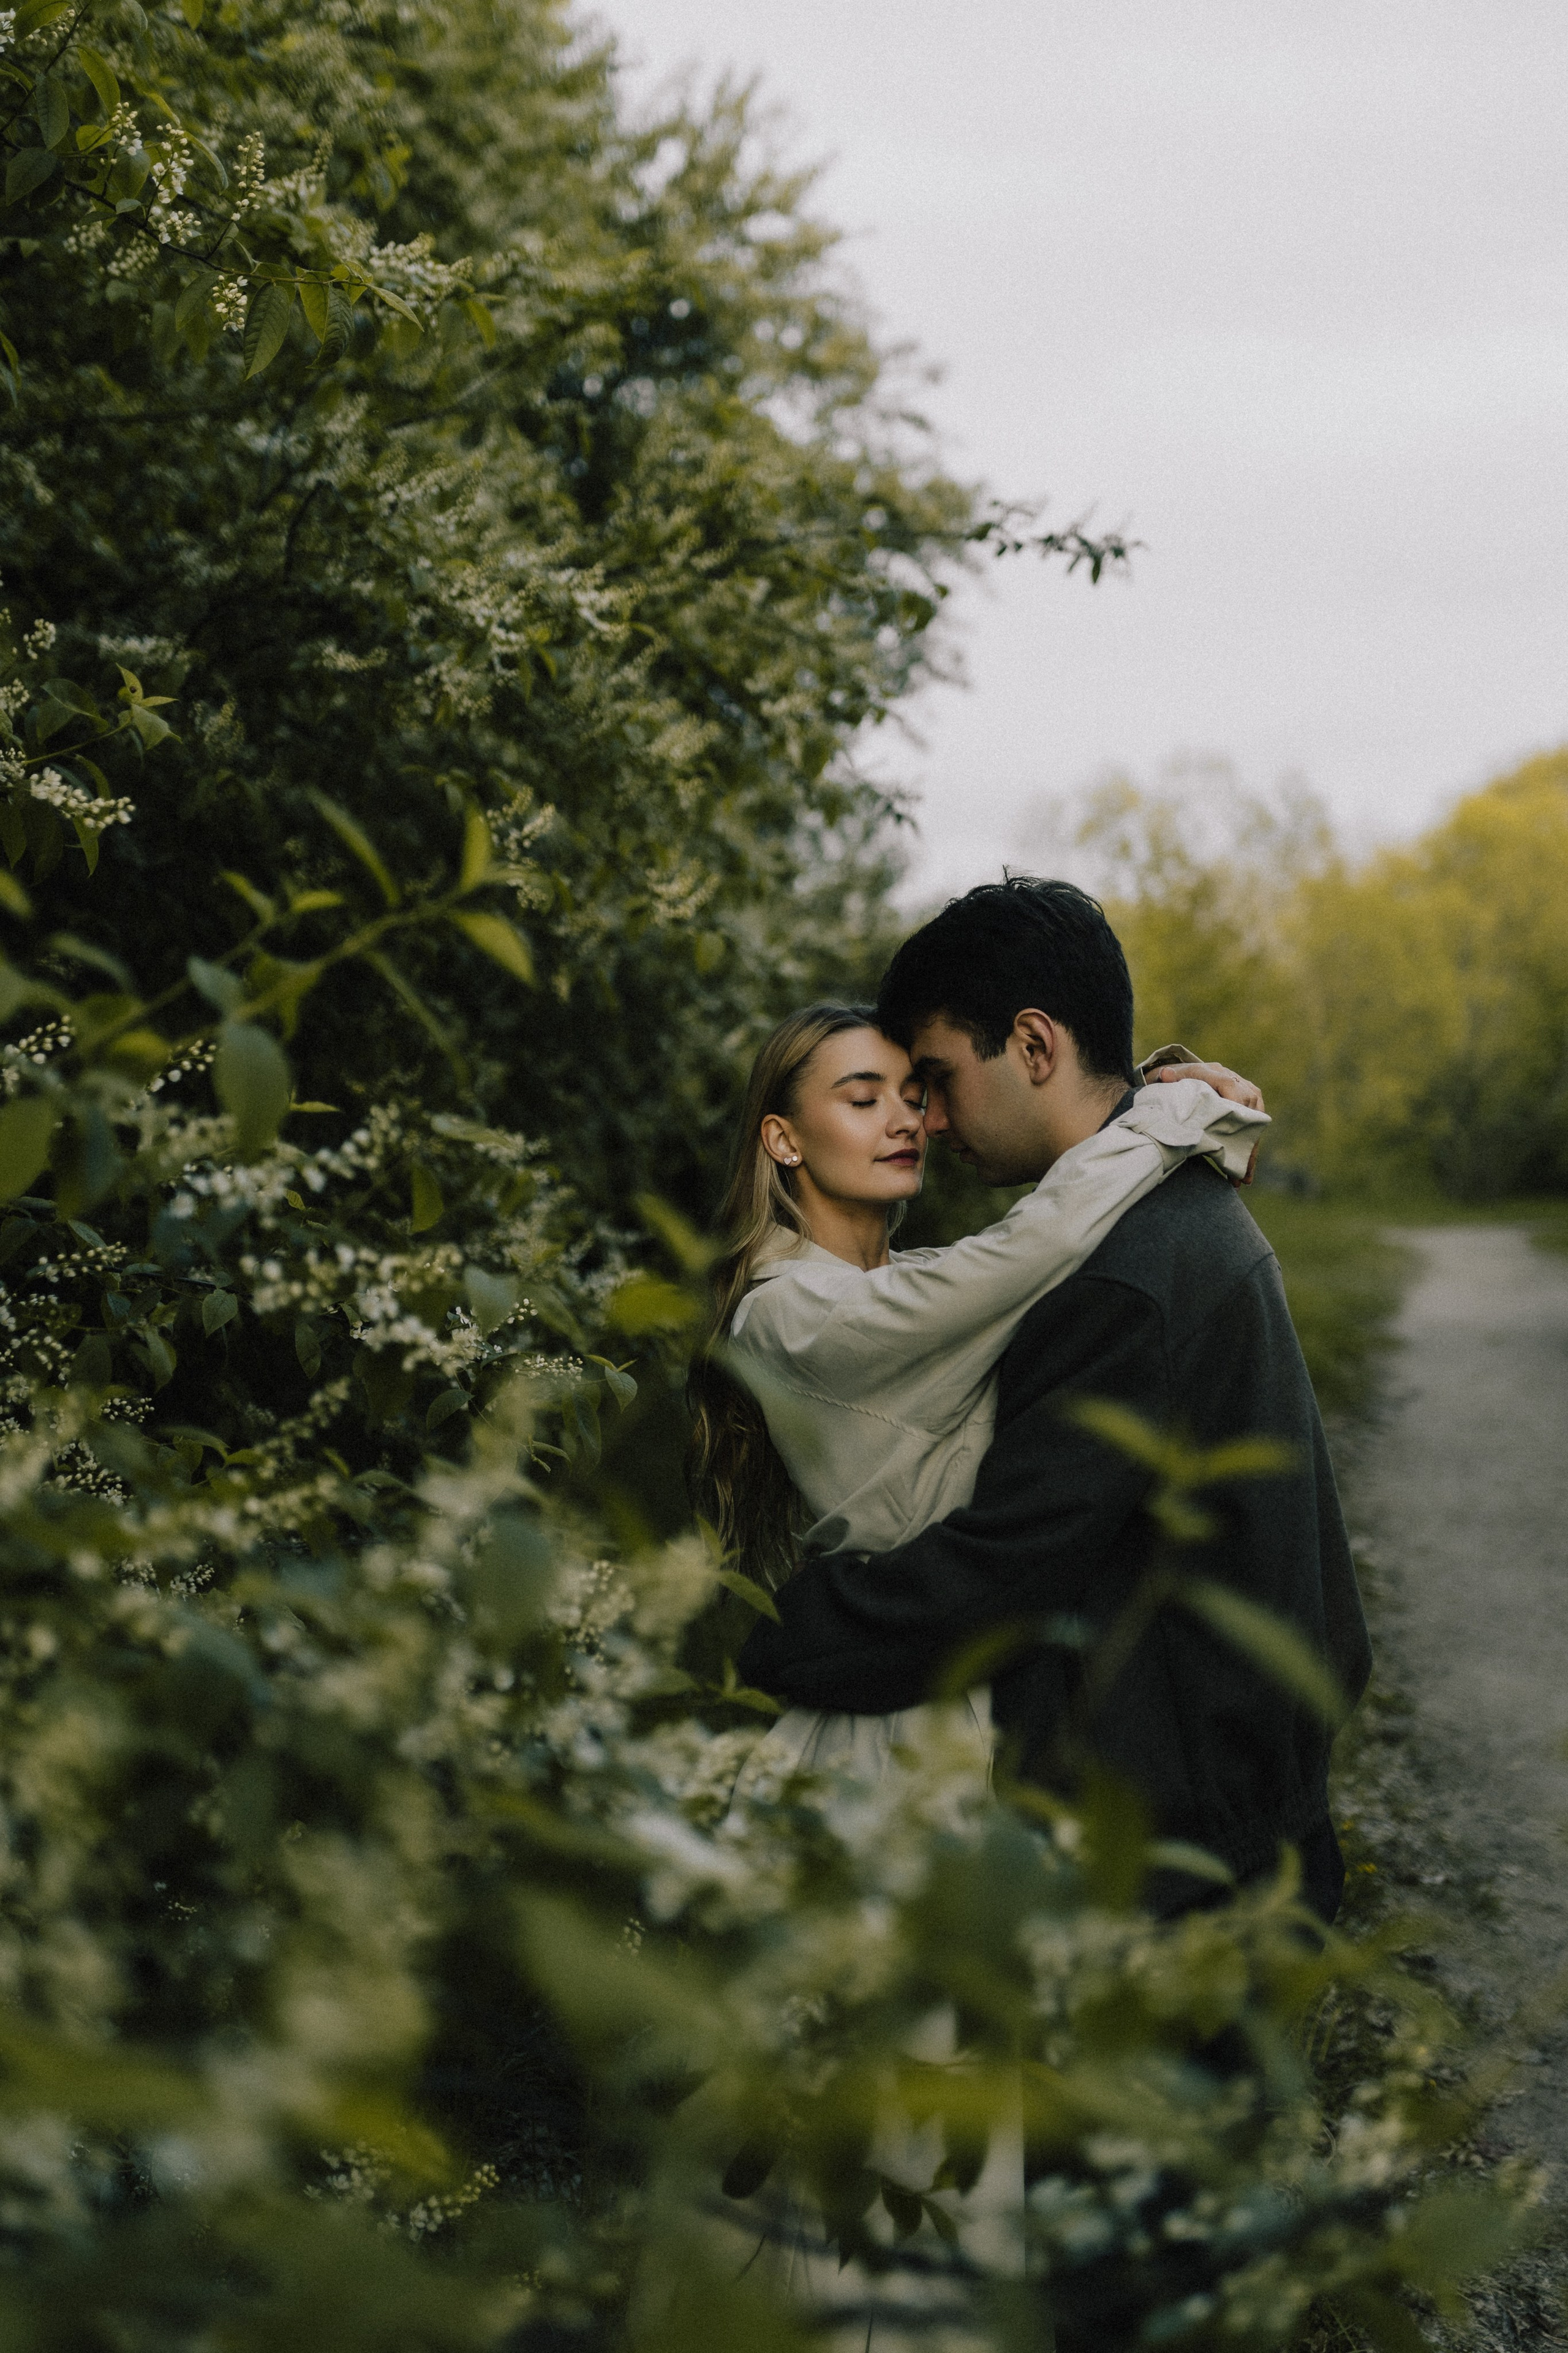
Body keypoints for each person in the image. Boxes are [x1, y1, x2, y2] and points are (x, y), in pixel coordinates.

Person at [736, 877, 1371, 1925]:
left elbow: (1004, 1564)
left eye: (935, 1080)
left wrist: (777, 1630)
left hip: (1188, 1864)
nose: (927, 1122)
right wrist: (1171, 1087)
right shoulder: (1167, 1204)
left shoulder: (1121, 1274)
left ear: (1034, 1047)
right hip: (1228, 1813)